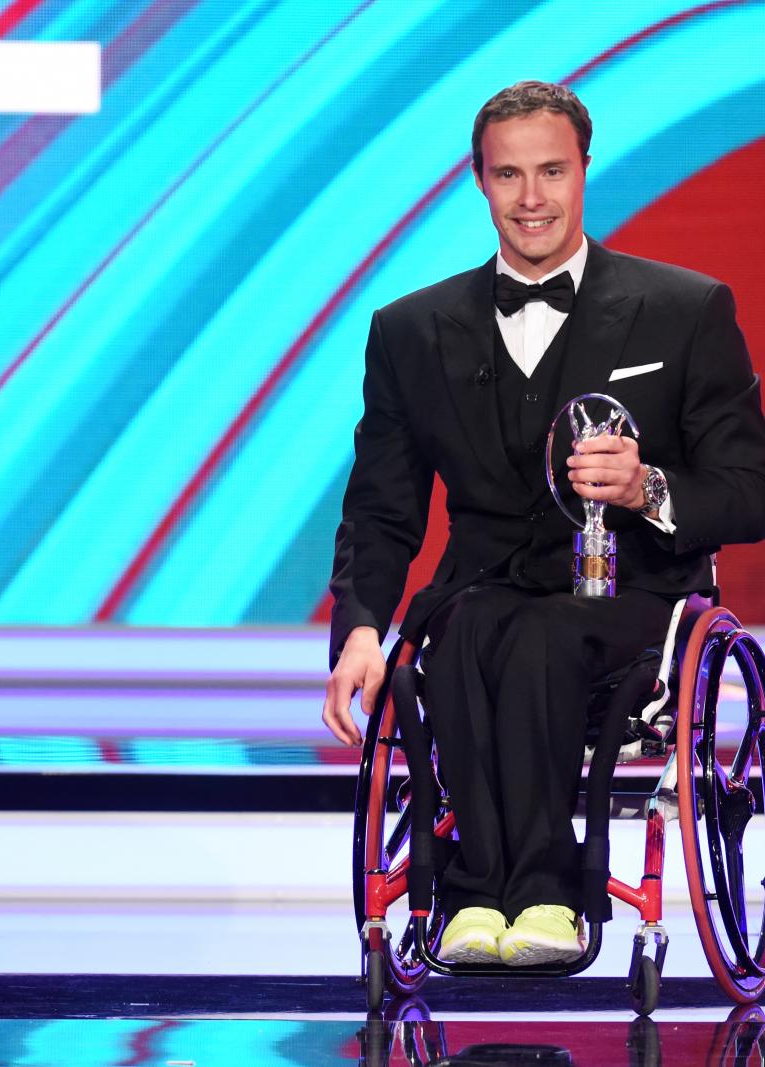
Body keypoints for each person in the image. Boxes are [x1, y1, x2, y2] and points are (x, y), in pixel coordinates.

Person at [322, 81, 765, 966]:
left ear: (584, 172)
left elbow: (748, 487)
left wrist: (646, 488)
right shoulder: (410, 330)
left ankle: (542, 895)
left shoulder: (683, 310)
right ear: (479, 182)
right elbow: (382, 503)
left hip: (633, 599)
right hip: (480, 591)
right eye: (510, 175)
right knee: (473, 626)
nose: (532, 198)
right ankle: (474, 899)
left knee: (538, 636)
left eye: (552, 171)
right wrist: (362, 626)